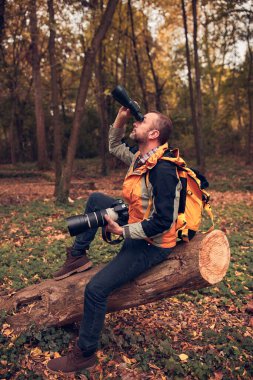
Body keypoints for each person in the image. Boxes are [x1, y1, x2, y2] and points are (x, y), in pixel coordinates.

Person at [47, 107, 182, 374]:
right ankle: (77, 256)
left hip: (152, 244)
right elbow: (114, 145)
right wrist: (120, 118)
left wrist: (123, 231)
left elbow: (163, 222)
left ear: (154, 133)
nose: (136, 122)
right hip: (135, 220)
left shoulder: (163, 170)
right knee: (97, 199)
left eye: (142, 121)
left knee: (96, 289)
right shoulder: (141, 159)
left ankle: (84, 354)